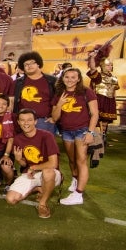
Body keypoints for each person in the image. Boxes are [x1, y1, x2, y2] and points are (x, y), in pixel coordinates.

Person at [52, 68, 98, 205]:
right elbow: (55, 118)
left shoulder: (86, 91)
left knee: (81, 160)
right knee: (72, 160)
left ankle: (78, 194)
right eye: (67, 77)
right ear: (62, 78)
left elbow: (95, 114)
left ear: (78, 79)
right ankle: (75, 178)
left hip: (82, 130)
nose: (70, 80)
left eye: (73, 77)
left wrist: (90, 132)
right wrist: (59, 104)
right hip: (66, 131)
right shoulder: (59, 93)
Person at [6, 108, 61, 219]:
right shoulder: (18, 139)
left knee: (48, 172)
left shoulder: (47, 136)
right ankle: (37, 188)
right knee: (11, 199)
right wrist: (18, 159)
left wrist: (34, 167)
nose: (26, 123)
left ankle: (43, 203)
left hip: (50, 173)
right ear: (18, 122)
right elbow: (23, 165)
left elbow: (53, 163)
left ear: (35, 121)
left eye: (29, 120)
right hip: (31, 173)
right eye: (22, 120)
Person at [13, 51, 57, 134]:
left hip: (44, 121)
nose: (29, 66)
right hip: (23, 121)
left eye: (32, 63)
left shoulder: (52, 81)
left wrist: (54, 118)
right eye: (26, 64)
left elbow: (58, 101)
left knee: (44, 146)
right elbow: (13, 102)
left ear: (38, 64)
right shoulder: (17, 83)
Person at [87, 50, 120, 140]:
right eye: (108, 65)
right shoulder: (98, 76)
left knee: (106, 121)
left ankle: (103, 137)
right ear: (102, 66)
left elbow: (114, 91)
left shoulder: (114, 78)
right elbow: (92, 69)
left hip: (110, 101)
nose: (110, 66)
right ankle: (97, 138)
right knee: (97, 120)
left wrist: (115, 101)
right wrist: (92, 57)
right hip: (99, 100)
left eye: (111, 65)